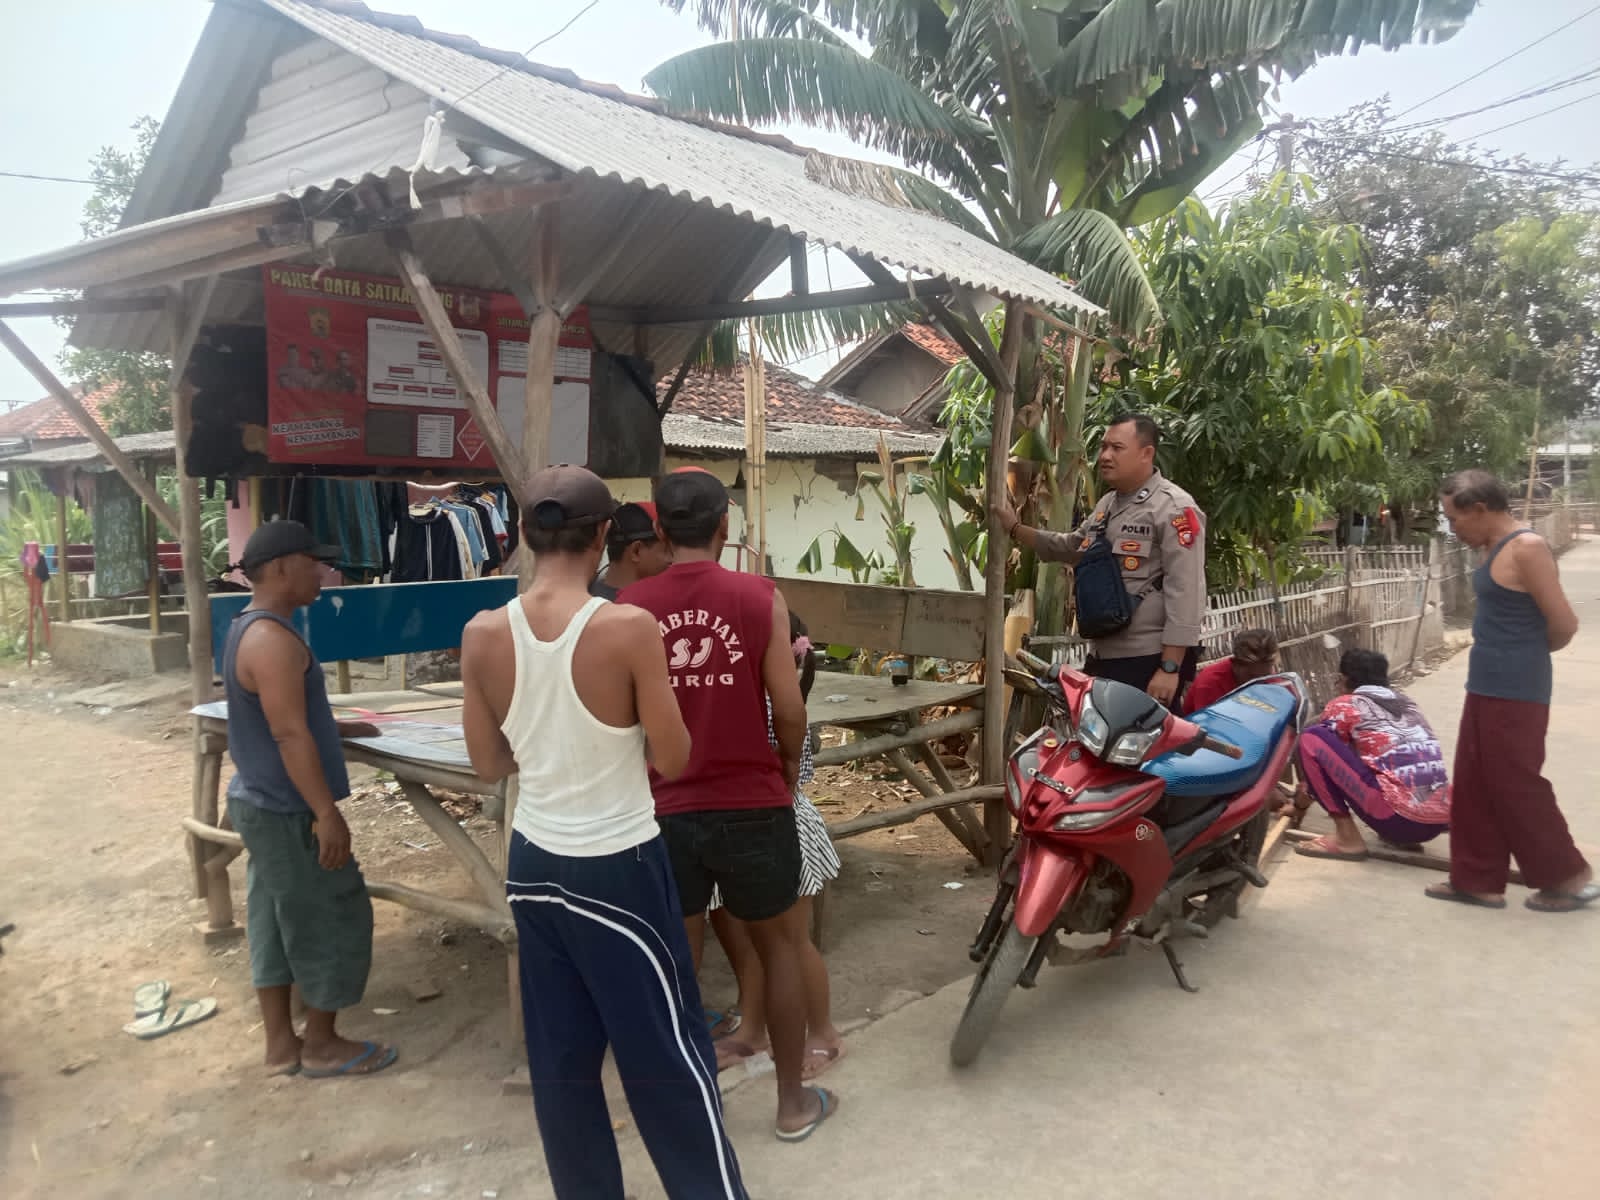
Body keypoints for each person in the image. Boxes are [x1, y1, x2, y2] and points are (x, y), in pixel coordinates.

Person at [459, 466, 747, 1200]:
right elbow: (673, 758)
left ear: (525, 536)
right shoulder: (625, 628)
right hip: (617, 865)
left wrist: (548, 740)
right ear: (603, 538)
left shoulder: (483, 634)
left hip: (533, 865)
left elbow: (488, 764)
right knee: (667, 1059)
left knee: (562, 1064)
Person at [621, 467, 838, 1143]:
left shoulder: (631, 604)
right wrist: (788, 771)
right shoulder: (758, 595)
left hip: (664, 807)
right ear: (724, 526)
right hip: (752, 801)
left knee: (675, 960)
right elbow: (790, 709)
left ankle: (686, 1113)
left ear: (660, 531)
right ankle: (792, 1104)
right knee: (781, 948)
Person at [221, 520, 396, 1079]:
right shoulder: (272, 640)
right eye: (312, 562)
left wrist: (336, 727)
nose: (323, 572)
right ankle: (321, 1043)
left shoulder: (247, 628)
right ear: (279, 569)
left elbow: (285, 717)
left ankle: (281, 1045)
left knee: (273, 919)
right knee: (334, 914)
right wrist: (326, 812)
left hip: (260, 800)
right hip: (289, 808)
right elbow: (288, 733)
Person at [1426, 469, 1596, 912]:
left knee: (1515, 781)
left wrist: (1524, 656)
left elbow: (1564, 624)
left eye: (1454, 518)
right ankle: (1476, 880)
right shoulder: (1492, 546)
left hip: (1517, 687)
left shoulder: (1527, 547)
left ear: (1480, 509)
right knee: (1474, 781)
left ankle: (1567, 877)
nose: (1452, 528)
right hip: (1485, 682)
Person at [701, 613, 846, 1083]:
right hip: (744, 825)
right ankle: (753, 1031)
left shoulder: (773, 703)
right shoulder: (752, 693)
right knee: (756, 940)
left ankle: (823, 1033)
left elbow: (785, 773)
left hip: (780, 825)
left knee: (790, 941)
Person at [994, 412, 1207, 707]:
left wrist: (1169, 668)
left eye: (1117, 448)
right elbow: (1073, 547)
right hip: (1103, 655)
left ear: (1146, 454)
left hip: (1147, 659)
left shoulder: (1173, 508)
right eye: (1104, 447)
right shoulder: (1109, 503)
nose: (1105, 456)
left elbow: (1186, 590)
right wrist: (1016, 529)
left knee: (1144, 737)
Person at [1292, 648, 1451, 861]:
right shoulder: (1407, 704)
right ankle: (1398, 834)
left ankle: (1346, 839)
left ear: (1343, 679)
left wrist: (1298, 806)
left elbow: (1322, 767)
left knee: (1313, 738)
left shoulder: (1346, 704)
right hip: (1437, 819)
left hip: (1398, 819)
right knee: (1379, 757)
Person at [1183, 628, 1279, 714]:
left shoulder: (1266, 676)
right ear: (1235, 664)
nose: (1258, 683)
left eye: (1264, 677)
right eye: (1251, 676)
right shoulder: (1209, 683)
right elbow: (1206, 725)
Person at [589, 501, 671, 600]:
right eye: (668, 550)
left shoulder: (585, 596)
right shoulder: (647, 605)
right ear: (636, 551)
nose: (672, 559)